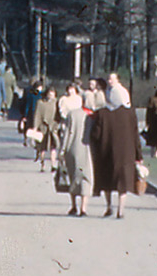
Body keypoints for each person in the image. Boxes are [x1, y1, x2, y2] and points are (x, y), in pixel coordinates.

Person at [88, 79, 143, 218]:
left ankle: (109, 206)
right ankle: (121, 209)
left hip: (106, 151)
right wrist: (139, 155)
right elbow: (135, 135)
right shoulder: (130, 113)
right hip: (126, 153)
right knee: (123, 182)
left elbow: (95, 134)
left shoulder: (102, 113)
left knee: (107, 181)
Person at [56, 85, 93, 217]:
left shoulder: (73, 114)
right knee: (86, 178)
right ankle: (83, 208)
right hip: (88, 149)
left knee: (73, 177)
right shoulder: (92, 116)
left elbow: (68, 133)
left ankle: (73, 206)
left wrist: (62, 149)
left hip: (73, 148)